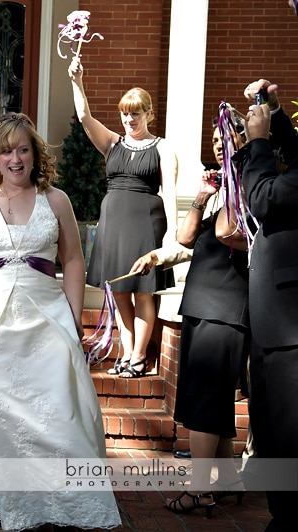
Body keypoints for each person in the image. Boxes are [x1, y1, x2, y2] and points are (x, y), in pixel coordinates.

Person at [0, 112, 120, 530]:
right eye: (5, 151)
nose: (14, 159)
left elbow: (72, 259)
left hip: (45, 316)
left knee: (55, 411)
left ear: (35, 154)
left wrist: (71, 320)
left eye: (22, 150)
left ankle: (54, 494)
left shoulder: (56, 200)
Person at [130, 119, 250, 518]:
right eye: (215, 139)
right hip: (201, 303)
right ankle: (229, 480)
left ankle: (199, 491)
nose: (219, 145)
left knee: (205, 396)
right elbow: (185, 237)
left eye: (226, 138)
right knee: (208, 394)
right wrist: (200, 196)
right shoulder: (217, 188)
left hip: (226, 305)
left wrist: (231, 183)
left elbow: (226, 231)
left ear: (245, 138)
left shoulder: (249, 183)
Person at [68, 56, 178, 378]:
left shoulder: (162, 148)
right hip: (113, 224)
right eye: (125, 113)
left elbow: (169, 191)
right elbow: (84, 116)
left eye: (136, 113)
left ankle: (140, 357)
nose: (130, 119)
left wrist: (171, 236)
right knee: (118, 290)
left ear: (148, 114)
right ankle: (127, 351)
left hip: (146, 221)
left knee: (143, 289)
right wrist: (77, 81)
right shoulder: (112, 143)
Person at [239, 75, 298, 532]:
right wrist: (275, 115)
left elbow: (263, 198)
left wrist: (259, 143)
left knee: (287, 436)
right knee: (272, 428)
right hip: (273, 317)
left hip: (288, 324)